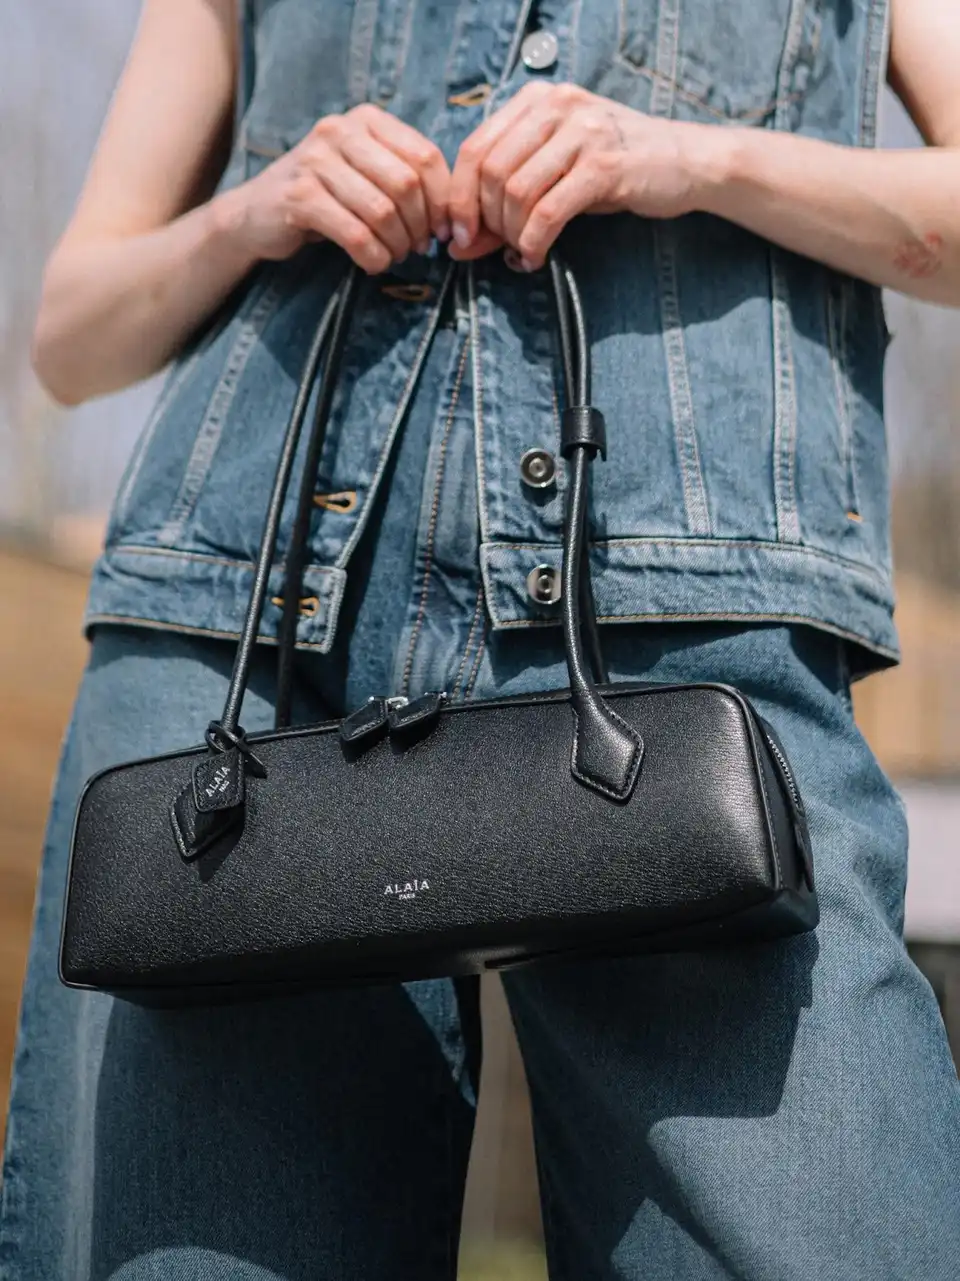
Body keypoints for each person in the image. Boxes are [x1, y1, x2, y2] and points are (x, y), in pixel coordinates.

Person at [2, 0, 959, 1277]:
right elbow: (72, 337)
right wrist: (258, 208)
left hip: (684, 626)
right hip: (233, 630)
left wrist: (692, 158)